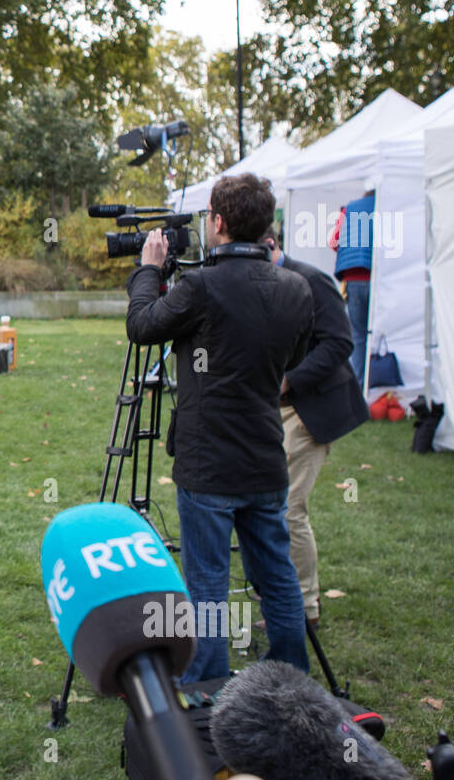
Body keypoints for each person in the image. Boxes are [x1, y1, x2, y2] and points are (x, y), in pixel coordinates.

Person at [125, 173, 313, 684]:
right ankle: (290, 677)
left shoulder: (203, 287)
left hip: (209, 466)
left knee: (207, 582)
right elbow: (290, 359)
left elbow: (142, 326)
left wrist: (148, 269)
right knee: (276, 575)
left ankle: (207, 682)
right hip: (265, 461)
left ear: (220, 223)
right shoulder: (296, 288)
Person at [264, 228, 369, 628]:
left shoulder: (312, 279)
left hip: (312, 407)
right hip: (276, 409)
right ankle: (280, 595)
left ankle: (304, 608)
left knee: (289, 507)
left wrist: (290, 380)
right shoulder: (266, 282)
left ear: (271, 245)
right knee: (270, 505)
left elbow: (340, 343)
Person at [335, 190, 375, 390]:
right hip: (375, 277)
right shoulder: (384, 205)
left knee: (358, 336)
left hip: (352, 279)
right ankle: (376, 386)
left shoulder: (349, 209)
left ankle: (357, 388)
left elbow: (334, 242)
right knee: (378, 332)